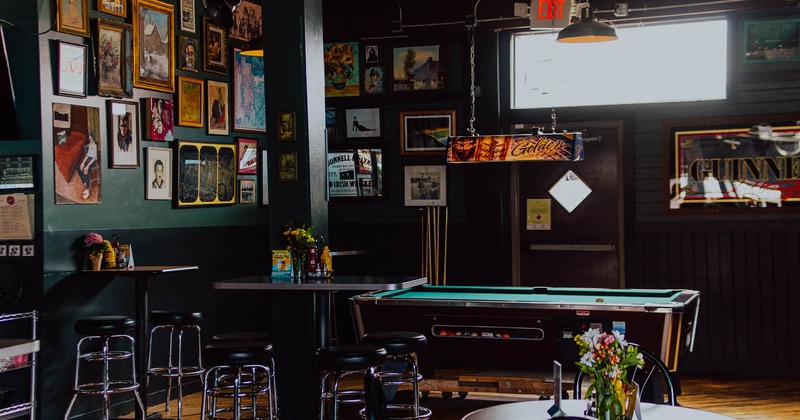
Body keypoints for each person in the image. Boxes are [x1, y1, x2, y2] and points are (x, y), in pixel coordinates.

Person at [78, 133, 97, 200]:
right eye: (89, 139)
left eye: (91, 138)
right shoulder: (90, 145)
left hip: (93, 160)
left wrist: (88, 166)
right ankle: (85, 182)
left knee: (86, 169)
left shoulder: (95, 145)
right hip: (89, 158)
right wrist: (83, 163)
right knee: (79, 168)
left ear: (93, 138)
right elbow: (88, 155)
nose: (90, 140)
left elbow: (95, 157)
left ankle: (87, 191)